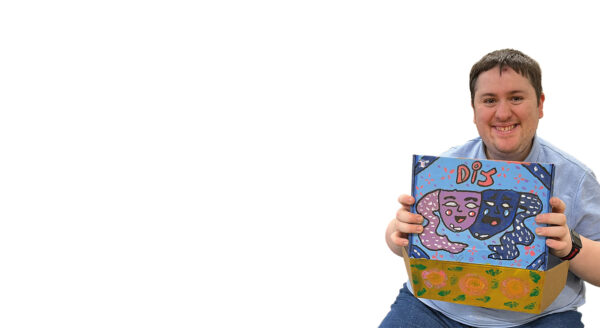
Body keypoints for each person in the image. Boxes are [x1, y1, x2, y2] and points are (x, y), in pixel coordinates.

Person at [381, 49, 600, 327]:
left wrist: (570, 245)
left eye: (516, 98)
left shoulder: (576, 177)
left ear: (540, 104)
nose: (503, 112)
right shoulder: (446, 167)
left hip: (540, 316)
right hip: (437, 309)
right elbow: (399, 240)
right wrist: (397, 231)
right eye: (489, 100)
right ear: (474, 110)